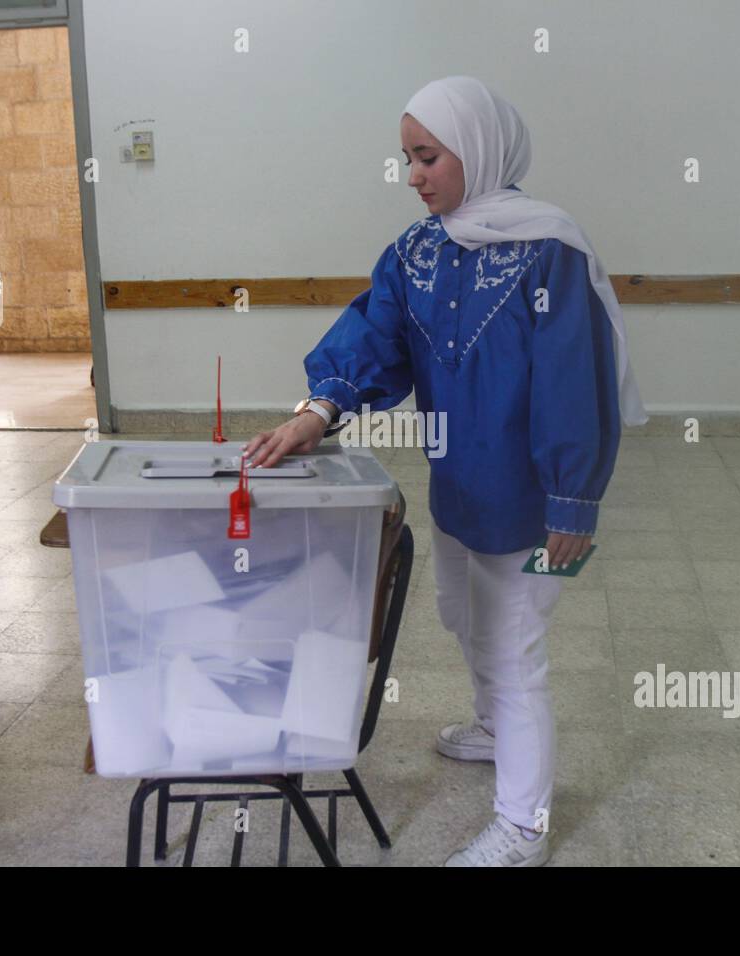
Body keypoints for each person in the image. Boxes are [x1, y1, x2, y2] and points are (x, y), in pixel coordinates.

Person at [241, 75, 647, 867]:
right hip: (459, 484)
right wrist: (315, 412)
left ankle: (523, 827)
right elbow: (374, 338)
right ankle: (494, 727)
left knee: (515, 644)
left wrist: (574, 501)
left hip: (534, 499)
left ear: (481, 148)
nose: (413, 175)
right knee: (462, 614)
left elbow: (574, 381)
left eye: (427, 157)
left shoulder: (549, 251)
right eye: (406, 159)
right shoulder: (417, 252)